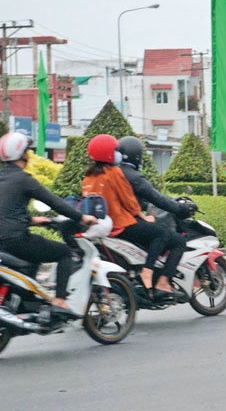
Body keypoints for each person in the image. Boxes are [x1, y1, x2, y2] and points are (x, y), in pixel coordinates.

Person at [0, 132, 97, 313]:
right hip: (16, 240)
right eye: (27, 150)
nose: (28, 153)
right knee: (64, 253)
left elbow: (7, 209)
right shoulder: (24, 180)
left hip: (3, 242)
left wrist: (30, 220)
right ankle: (60, 300)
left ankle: (28, 301)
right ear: (22, 154)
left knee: (34, 257)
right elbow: (55, 203)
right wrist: (82, 218)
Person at [81, 134, 180, 297]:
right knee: (162, 234)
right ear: (107, 153)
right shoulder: (114, 173)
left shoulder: (88, 176)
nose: (117, 154)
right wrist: (143, 216)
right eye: (114, 151)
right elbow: (128, 200)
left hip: (99, 225)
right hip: (121, 225)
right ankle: (147, 272)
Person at [116, 136, 191, 278]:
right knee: (177, 240)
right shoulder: (134, 177)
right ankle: (159, 280)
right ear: (136, 156)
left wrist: (143, 207)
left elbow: (130, 199)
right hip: (127, 223)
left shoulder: (113, 173)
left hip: (115, 222)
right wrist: (181, 209)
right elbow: (158, 199)